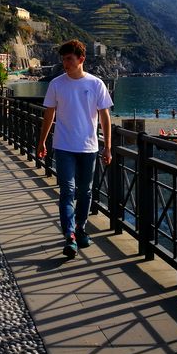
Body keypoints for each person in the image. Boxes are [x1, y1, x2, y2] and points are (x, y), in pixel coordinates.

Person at [37, 39, 113, 258]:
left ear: (81, 59)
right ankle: (69, 235)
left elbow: (105, 117)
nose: (65, 63)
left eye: (69, 59)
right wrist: (42, 142)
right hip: (63, 146)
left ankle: (80, 227)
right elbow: (49, 114)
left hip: (89, 147)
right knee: (67, 191)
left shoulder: (96, 84)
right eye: (63, 59)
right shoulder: (56, 84)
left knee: (85, 191)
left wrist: (107, 147)